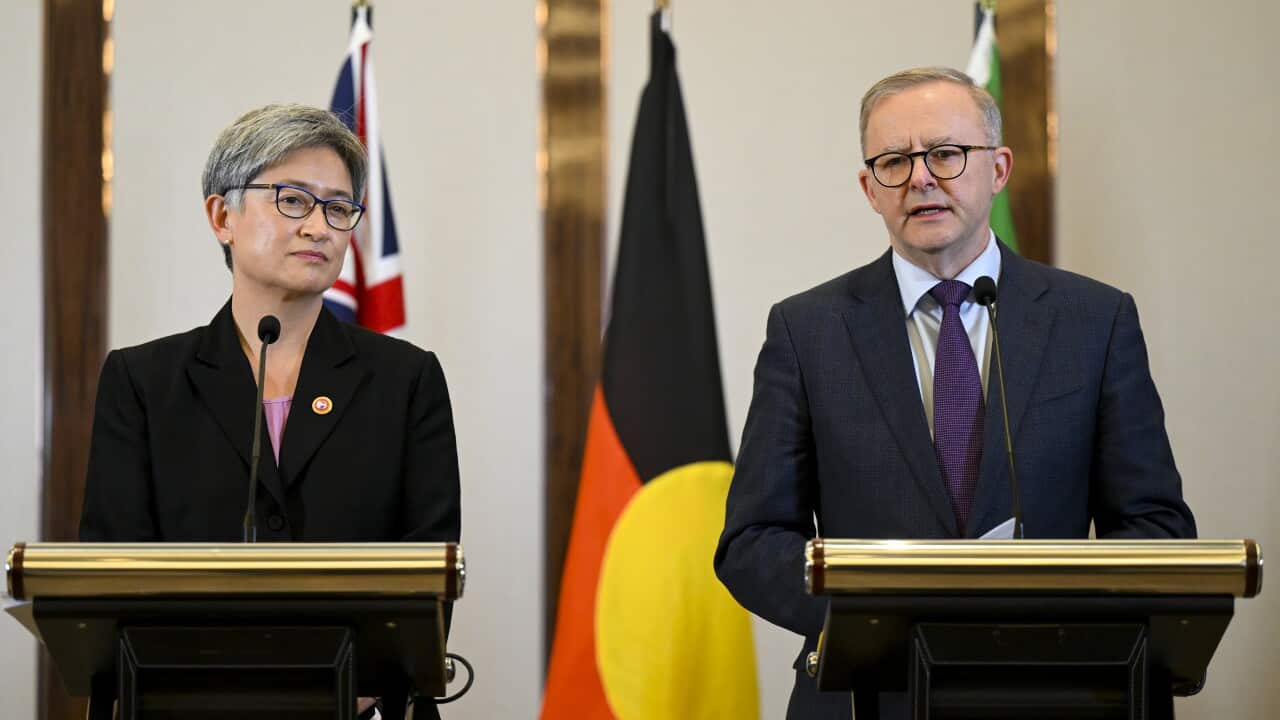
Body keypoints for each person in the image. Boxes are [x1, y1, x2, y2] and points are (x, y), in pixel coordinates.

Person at [713, 67, 1196, 720]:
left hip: (1054, 692)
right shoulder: (808, 330)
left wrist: (1058, 617)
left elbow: (1155, 527)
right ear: (869, 188)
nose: (920, 177)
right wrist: (868, 617)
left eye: (944, 153)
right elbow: (752, 540)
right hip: (870, 695)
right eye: (894, 161)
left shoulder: (1095, 320)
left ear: (997, 169)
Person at [80, 104, 460, 719]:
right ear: (221, 215)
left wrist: (336, 696)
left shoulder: (406, 379)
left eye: (339, 207)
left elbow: (428, 570)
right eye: (292, 199)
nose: (319, 227)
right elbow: (114, 577)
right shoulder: (143, 382)